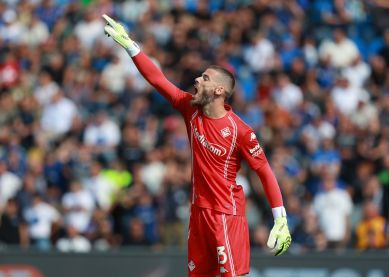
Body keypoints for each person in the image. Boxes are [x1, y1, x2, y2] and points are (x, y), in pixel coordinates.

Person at [102, 15, 291, 277]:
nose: (197, 80)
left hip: (226, 214)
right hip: (198, 213)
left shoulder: (241, 131)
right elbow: (158, 80)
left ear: (219, 91)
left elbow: (264, 171)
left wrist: (280, 218)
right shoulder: (190, 109)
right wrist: (130, 46)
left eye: (205, 77)